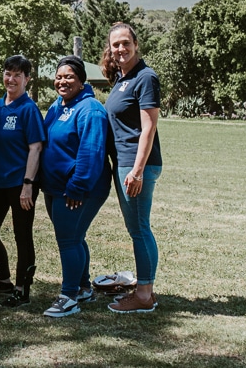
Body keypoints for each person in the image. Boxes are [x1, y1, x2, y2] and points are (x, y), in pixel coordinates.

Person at [40, 55, 112, 318]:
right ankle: (83, 287)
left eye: (69, 76)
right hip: (55, 187)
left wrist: (78, 186)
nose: (63, 81)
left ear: (81, 80)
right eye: (59, 76)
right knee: (75, 237)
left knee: (68, 240)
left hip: (78, 189)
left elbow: (91, 151)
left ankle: (68, 296)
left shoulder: (90, 108)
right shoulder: (58, 105)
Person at [101, 22, 162, 314]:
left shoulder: (145, 77)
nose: (121, 49)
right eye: (116, 45)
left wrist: (137, 170)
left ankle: (144, 295)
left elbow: (148, 128)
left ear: (136, 44)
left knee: (139, 229)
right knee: (136, 227)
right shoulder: (122, 78)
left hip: (136, 164)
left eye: (126, 43)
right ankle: (143, 288)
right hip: (123, 162)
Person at [0, 55, 45, 308]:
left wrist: (28, 184)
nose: (12, 78)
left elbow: (36, 148)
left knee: (22, 236)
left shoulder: (28, 109)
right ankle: (4, 280)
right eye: (8, 73)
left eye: (18, 74)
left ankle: (22, 289)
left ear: (27, 79)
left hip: (21, 183)